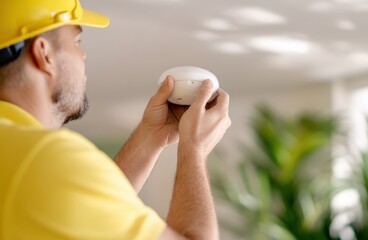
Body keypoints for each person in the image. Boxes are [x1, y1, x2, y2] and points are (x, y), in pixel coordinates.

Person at [0, 0, 231, 239]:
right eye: (77, 42)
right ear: (44, 54)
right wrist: (194, 149)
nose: (83, 54)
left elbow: (85, 214)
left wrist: (151, 135)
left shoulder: (23, 161)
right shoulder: (45, 158)